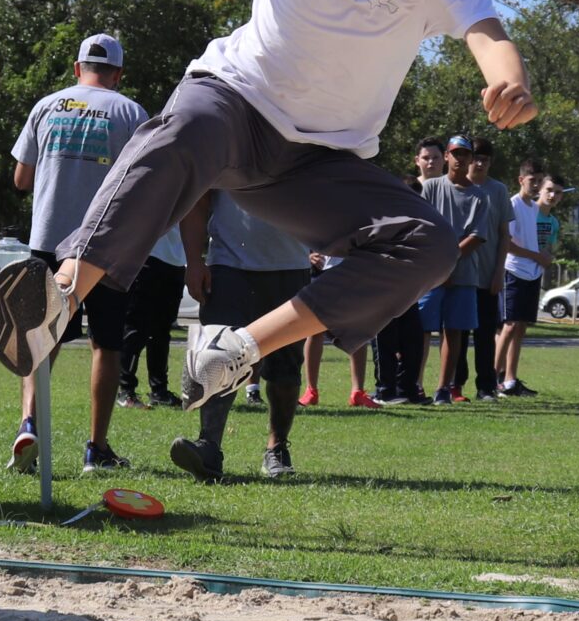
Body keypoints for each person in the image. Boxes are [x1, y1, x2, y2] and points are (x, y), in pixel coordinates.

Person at [0, 0, 537, 406]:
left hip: (321, 161)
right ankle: (58, 297)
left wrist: (507, 77)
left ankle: (239, 349)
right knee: (178, 133)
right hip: (236, 104)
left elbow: (483, 25)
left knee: (426, 243)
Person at [5, 33, 145, 476]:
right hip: (104, 245)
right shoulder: (131, 112)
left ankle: (29, 422)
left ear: (76, 67)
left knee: (39, 336)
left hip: (47, 240)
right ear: (118, 74)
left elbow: (21, 179)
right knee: (106, 343)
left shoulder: (47, 105)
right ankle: (96, 449)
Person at [171, 193, 309, 481]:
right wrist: (194, 262)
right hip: (228, 267)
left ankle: (277, 448)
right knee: (215, 356)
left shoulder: (307, 147)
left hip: (290, 268)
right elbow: (196, 202)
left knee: (285, 367)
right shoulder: (223, 149)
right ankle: (209, 447)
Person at [371, 139, 447, 404]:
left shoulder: (422, 225)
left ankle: (407, 389)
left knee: (413, 342)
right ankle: (385, 390)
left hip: (411, 295)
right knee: (386, 342)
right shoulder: (384, 223)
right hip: (385, 293)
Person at [419, 135, 490, 403]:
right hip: (431, 273)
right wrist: (438, 265)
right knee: (423, 328)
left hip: (462, 273)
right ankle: (415, 384)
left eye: (465, 154)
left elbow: (477, 236)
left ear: (471, 159)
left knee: (454, 330)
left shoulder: (479, 196)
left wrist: (449, 262)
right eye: (455, 153)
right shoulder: (432, 188)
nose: (460, 158)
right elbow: (422, 226)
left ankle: (443, 389)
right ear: (446, 156)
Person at [119, 225, 188, 409]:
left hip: (176, 261)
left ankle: (159, 392)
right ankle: (125, 390)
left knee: (162, 331)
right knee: (136, 329)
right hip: (146, 255)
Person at [497, 161, 551, 395]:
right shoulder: (513, 204)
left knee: (521, 328)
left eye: (540, 180)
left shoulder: (533, 208)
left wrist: (541, 257)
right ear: (521, 180)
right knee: (509, 326)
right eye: (532, 180)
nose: (537, 185)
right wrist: (535, 255)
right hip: (515, 271)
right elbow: (507, 244)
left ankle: (510, 381)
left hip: (532, 273)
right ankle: (491, 379)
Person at [465, 140, 513, 401]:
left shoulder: (499, 190)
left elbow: (505, 235)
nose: (480, 163)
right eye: (476, 157)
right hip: (460, 276)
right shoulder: (455, 187)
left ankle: (486, 386)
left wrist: (499, 273)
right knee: (457, 335)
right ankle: (454, 385)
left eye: (485, 158)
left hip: (487, 276)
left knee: (485, 336)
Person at [299, 251, 373, 407]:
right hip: (322, 271)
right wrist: (307, 255)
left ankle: (357, 392)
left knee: (357, 328)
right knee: (314, 329)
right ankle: (311, 391)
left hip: (353, 268)